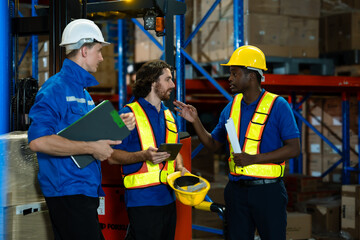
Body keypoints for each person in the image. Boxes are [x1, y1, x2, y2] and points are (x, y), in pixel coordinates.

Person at [174, 45, 300, 240]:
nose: (229, 78)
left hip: (268, 192)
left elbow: (294, 148)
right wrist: (195, 121)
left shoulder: (278, 106)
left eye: (234, 73)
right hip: (236, 192)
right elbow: (214, 144)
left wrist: (254, 159)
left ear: (251, 75)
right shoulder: (231, 107)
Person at [27, 19, 135, 240]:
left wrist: (118, 124)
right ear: (84, 50)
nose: (102, 57)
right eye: (99, 51)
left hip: (84, 188)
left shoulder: (84, 94)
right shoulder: (55, 89)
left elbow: (90, 134)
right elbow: (38, 142)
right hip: (66, 189)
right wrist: (91, 148)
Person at [108, 60, 187, 240]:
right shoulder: (124, 114)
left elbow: (175, 151)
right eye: (168, 79)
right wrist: (144, 155)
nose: (173, 85)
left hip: (169, 199)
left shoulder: (169, 116)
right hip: (142, 201)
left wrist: (180, 166)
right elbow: (111, 156)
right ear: (153, 82)